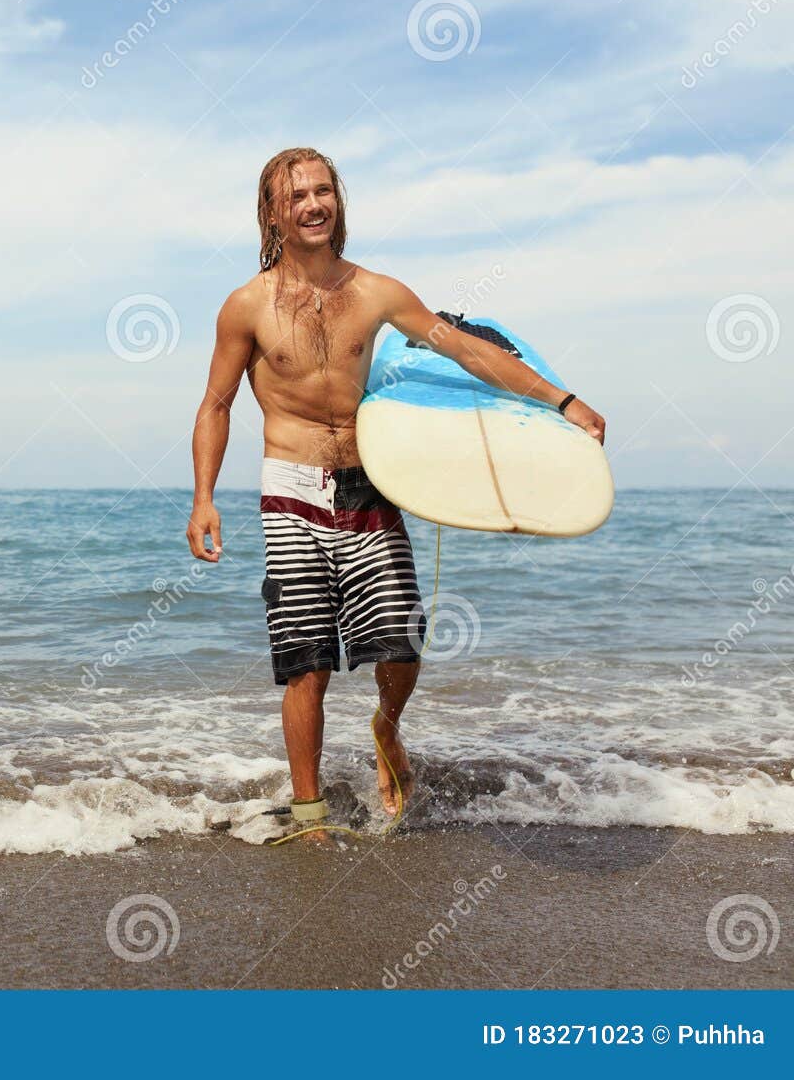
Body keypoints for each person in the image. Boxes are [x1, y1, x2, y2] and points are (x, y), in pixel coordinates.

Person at [186, 147, 606, 833]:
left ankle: (387, 725)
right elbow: (216, 403)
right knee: (305, 664)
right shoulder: (245, 307)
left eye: (324, 191)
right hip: (289, 489)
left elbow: (466, 350)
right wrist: (204, 497)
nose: (315, 205)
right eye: (298, 197)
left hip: (370, 484)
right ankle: (310, 813)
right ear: (272, 213)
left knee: (401, 644)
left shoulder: (377, 291)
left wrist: (561, 401)